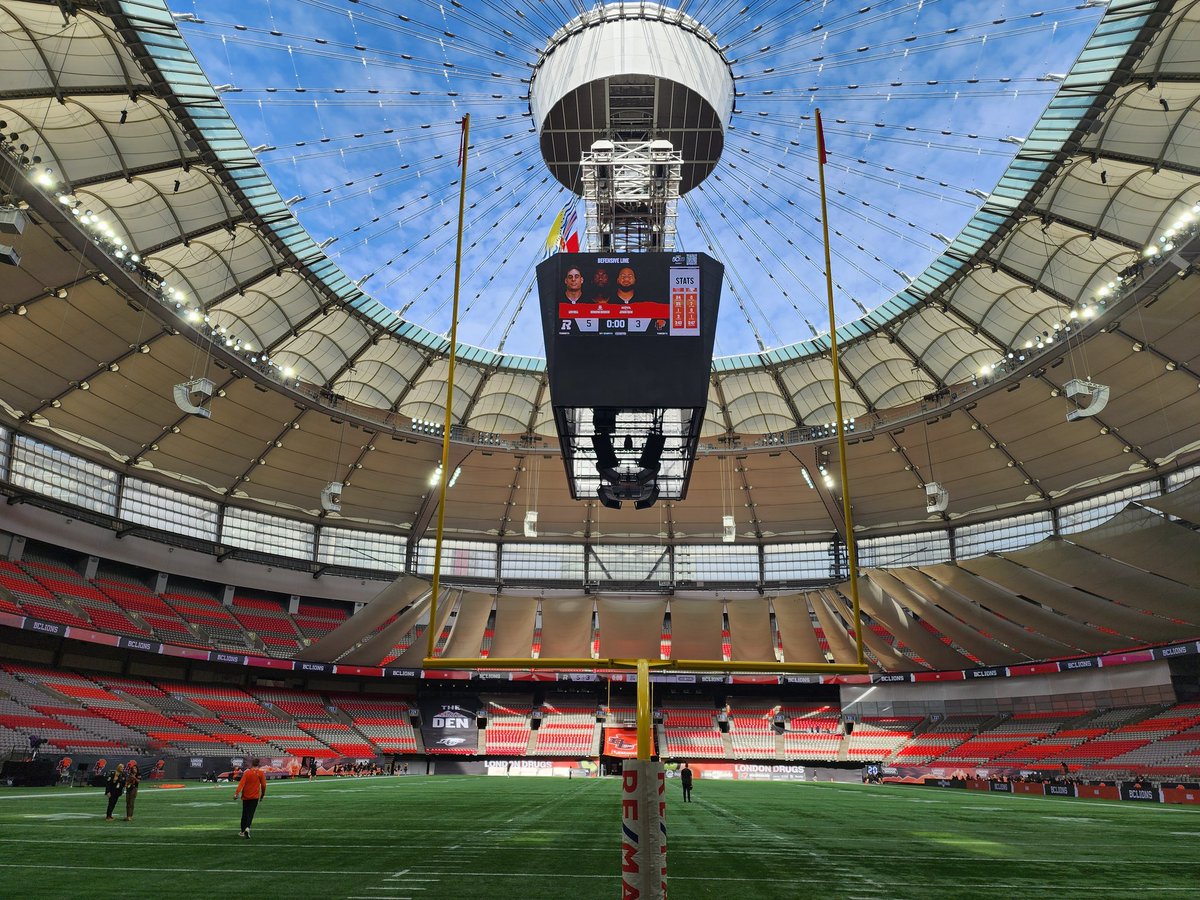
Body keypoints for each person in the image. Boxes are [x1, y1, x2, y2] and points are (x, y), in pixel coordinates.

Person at [234, 757, 267, 839]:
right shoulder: (261, 773)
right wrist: (262, 795)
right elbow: (263, 785)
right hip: (255, 796)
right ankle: (247, 828)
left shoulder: (247, 773)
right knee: (251, 813)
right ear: (258, 764)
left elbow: (241, 784)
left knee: (244, 813)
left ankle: (242, 831)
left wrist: (236, 793)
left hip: (246, 796)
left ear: (252, 764)